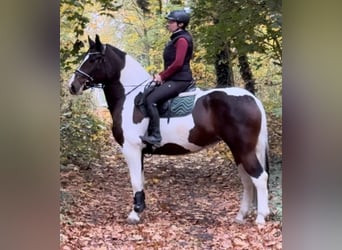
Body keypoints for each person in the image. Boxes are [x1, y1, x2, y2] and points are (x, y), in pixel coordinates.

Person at [140, 9, 194, 146]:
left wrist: (162, 76)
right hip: (174, 78)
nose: (168, 24)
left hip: (180, 80)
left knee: (151, 99)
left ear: (180, 24)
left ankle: (156, 136)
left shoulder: (182, 39)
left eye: (171, 22)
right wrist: (162, 76)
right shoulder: (177, 38)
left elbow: (178, 63)